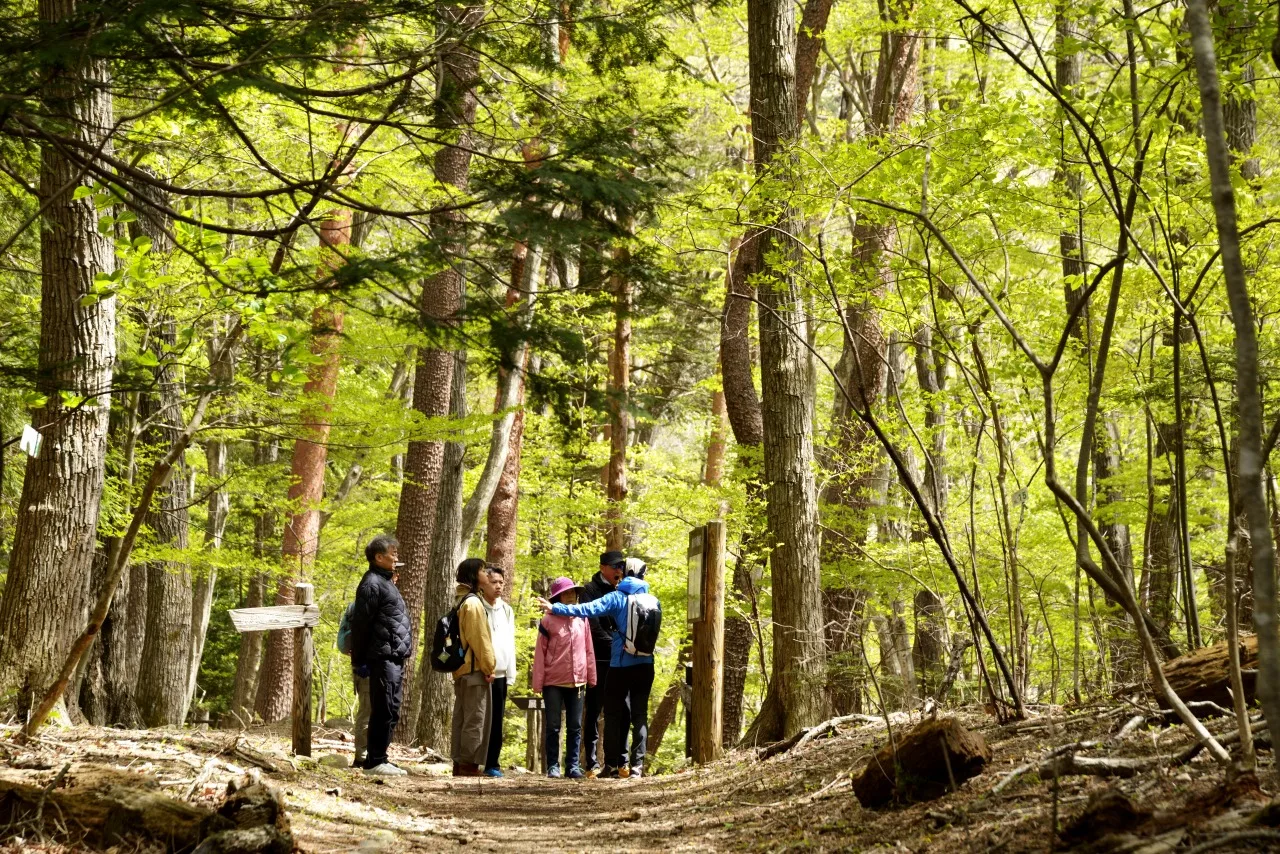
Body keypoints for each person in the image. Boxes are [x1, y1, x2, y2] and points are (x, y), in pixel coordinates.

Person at [536, 557, 655, 779]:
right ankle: (636, 766)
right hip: (646, 665)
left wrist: (555, 607)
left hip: (620, 664)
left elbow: (589, 609)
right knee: (640, 715)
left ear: (625, 573)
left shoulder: (616, 598)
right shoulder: (652, 599)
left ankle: (610, 764)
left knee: (612, 714)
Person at [349, 535, 411, 777]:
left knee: (392, 708)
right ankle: (374, 761)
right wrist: (360, 661)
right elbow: (361, 624)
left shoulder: (386, 582)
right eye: (392, 553)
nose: (396, 557)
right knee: (384, 707)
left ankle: (380, 757)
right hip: (381, 657)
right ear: (378, 557)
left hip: (393, 656)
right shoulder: (371, 584)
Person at [532, 576, 597, 779]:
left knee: (575, 726)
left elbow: (588, 650)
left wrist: (591, 676)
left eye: (573, 592)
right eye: (566, 593)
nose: (570, 596)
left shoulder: (582, 619)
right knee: (553, 725)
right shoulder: (548, 620)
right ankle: (553, 765)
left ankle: (573, 766)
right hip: (553, 681)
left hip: (578, 681)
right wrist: (538, 682)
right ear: (558, 597)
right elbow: (540, 652)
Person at [579, 550, 625, 776]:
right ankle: (591, 763)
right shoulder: (590, 590)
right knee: (595, 709)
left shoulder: (624, 589)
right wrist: (618, 643)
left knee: (619, 710)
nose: (619, 570)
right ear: (602, 567)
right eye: (615, 566)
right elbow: (593, 627)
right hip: (598, 658)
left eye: (621, 566)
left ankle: (616, 763)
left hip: (620, 659)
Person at [451, 557, 497, 777]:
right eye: (482, 570)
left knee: (461, 717)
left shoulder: (460, 600)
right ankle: (468, 765)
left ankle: (459, 764)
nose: (486, 573)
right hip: (474, 670)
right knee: (475, 719)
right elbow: (480, 640)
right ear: (473, 575)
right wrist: (489, 667)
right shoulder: (473, 604)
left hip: (461, 670)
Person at [481, 564, 517, 778]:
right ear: (484, 583)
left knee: (497, 721)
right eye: (493, 582)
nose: (498, 587)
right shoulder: (476, 606)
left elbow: (509, 642)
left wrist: (511, 674)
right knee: (479, 719)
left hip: (501, 674)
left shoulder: (506, 609)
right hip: (481, 672)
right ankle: (472, 761)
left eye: (501, 583)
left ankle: (492, 763)